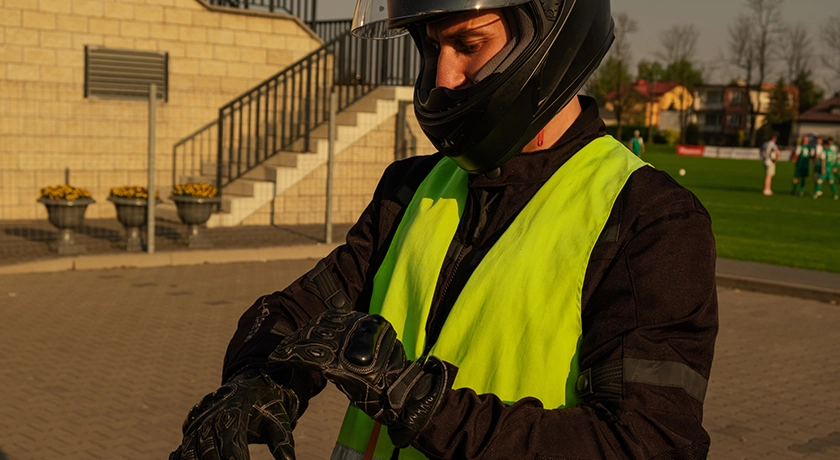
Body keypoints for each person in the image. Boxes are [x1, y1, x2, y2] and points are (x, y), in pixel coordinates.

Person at [170, 0, 718, 459]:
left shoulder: (650, 219)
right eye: (432, 49)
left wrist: (426, 404)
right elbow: (301, 311)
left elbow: (648, 442)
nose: (443, 77)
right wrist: (256, 380)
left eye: (469, 45)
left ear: (550, 32)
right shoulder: (412, 187)